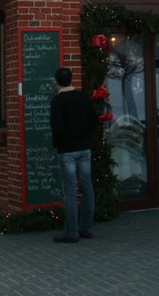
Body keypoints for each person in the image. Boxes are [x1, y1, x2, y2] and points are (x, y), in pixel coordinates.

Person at [50, 67, 97, 242]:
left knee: (70, 191)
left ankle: (71, 232)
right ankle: (87, 228)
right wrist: (85, 137)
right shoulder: (83, 98)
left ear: (57, 82)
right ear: (71, 80)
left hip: (67, 151)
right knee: (87, 189)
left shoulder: (58, 101)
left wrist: (59, 145)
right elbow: (94, 121)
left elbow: (57, 128)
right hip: (84, 148)